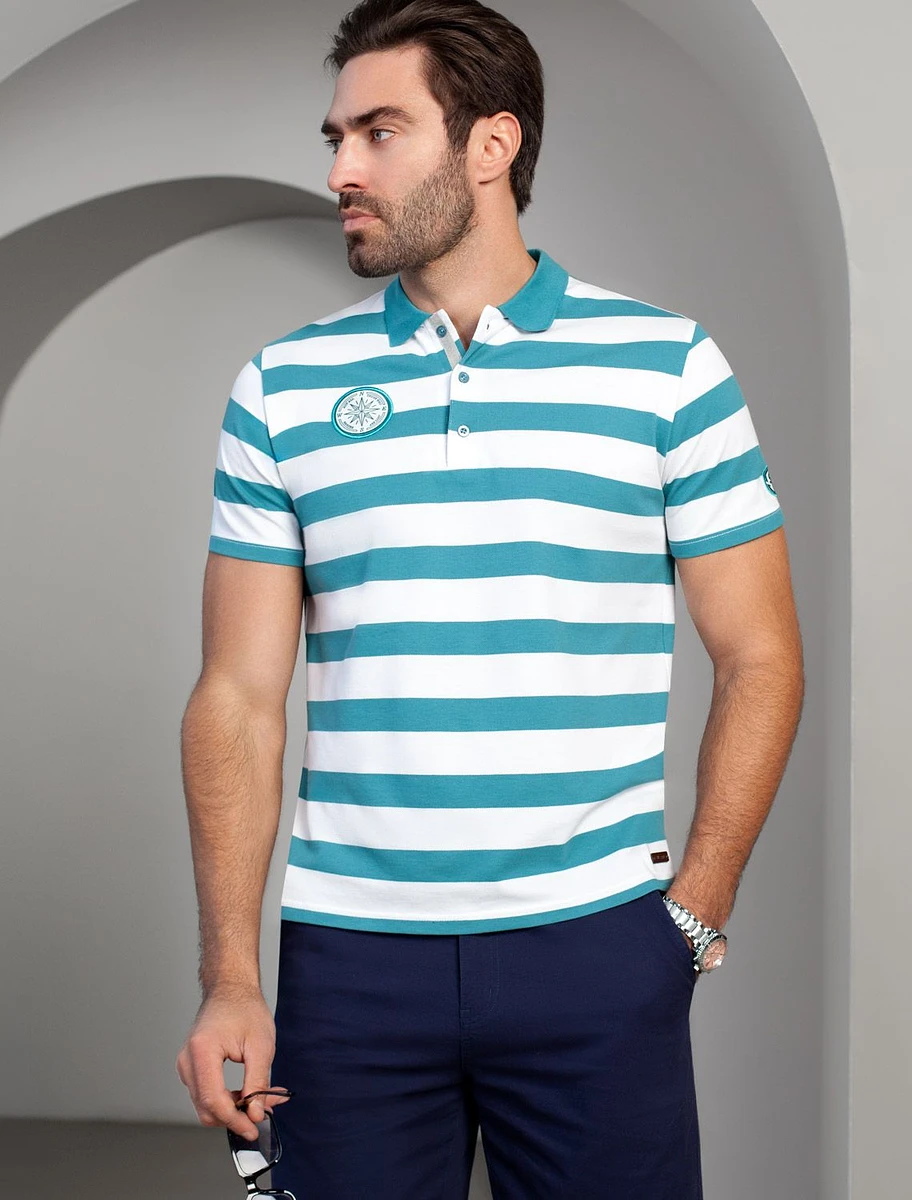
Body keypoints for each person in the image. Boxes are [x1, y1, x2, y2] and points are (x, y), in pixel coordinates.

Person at [175, 1, 805, 1196]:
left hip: (598, 947)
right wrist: (230, 978)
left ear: (491, 145)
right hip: (350, 966)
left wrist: (693, 914)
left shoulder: (669, 367)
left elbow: (762, 657)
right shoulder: (281, 387)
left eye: (379, 132)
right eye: (336, 137)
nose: (340, 170)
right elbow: (238, 698)